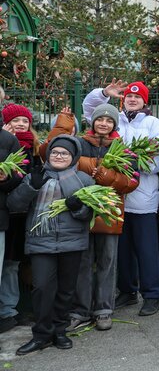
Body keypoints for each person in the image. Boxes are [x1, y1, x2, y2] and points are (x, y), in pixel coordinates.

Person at [40, 104, 137, 332]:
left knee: (107, 261)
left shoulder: (123, 149)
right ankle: (80, 310)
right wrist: (91, 164)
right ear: (92, 122)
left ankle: (104, 310)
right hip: (79, 210)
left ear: (114, 124)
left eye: (109, 120)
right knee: (82, 262)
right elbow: (49, 153)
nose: (104, 123)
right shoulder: (79, 143)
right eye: (100, 119)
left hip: (109, 211)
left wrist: (103, 174)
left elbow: (132, 182)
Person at [83, 80, 159, 317]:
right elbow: (90, 109)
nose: (132, 99)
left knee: (146, 248)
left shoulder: (154, 124)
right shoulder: (114, 119)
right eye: (129, 96)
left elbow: (158, 161)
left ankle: (151, 294)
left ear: (144, 101)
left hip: (142, 197)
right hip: (114, 198)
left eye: (137, 97)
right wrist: (102, 94)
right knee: (123, 248)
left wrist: (128, 165)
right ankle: (127, 290)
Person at [8, 136, 93, 355]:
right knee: (42, 288)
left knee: (66, 290)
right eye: (55, 152)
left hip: (72, 242)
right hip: (40, 241)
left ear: (73, 156)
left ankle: (59, 331)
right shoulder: (36, 176)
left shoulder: (83, 180)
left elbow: (89, 215)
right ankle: (41, 334)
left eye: (64, 153)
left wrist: (77, 207)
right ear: (48, 154)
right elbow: (14, 204)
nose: (58, 156)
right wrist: (31, 188)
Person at [0, 104, 35, 333]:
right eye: (16, 120)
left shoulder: (34, 146)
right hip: (6, 211)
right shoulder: (7, 142)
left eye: (25, 120)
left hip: (23, 212)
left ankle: (9, 309)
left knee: (13, 262)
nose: (21, 124)